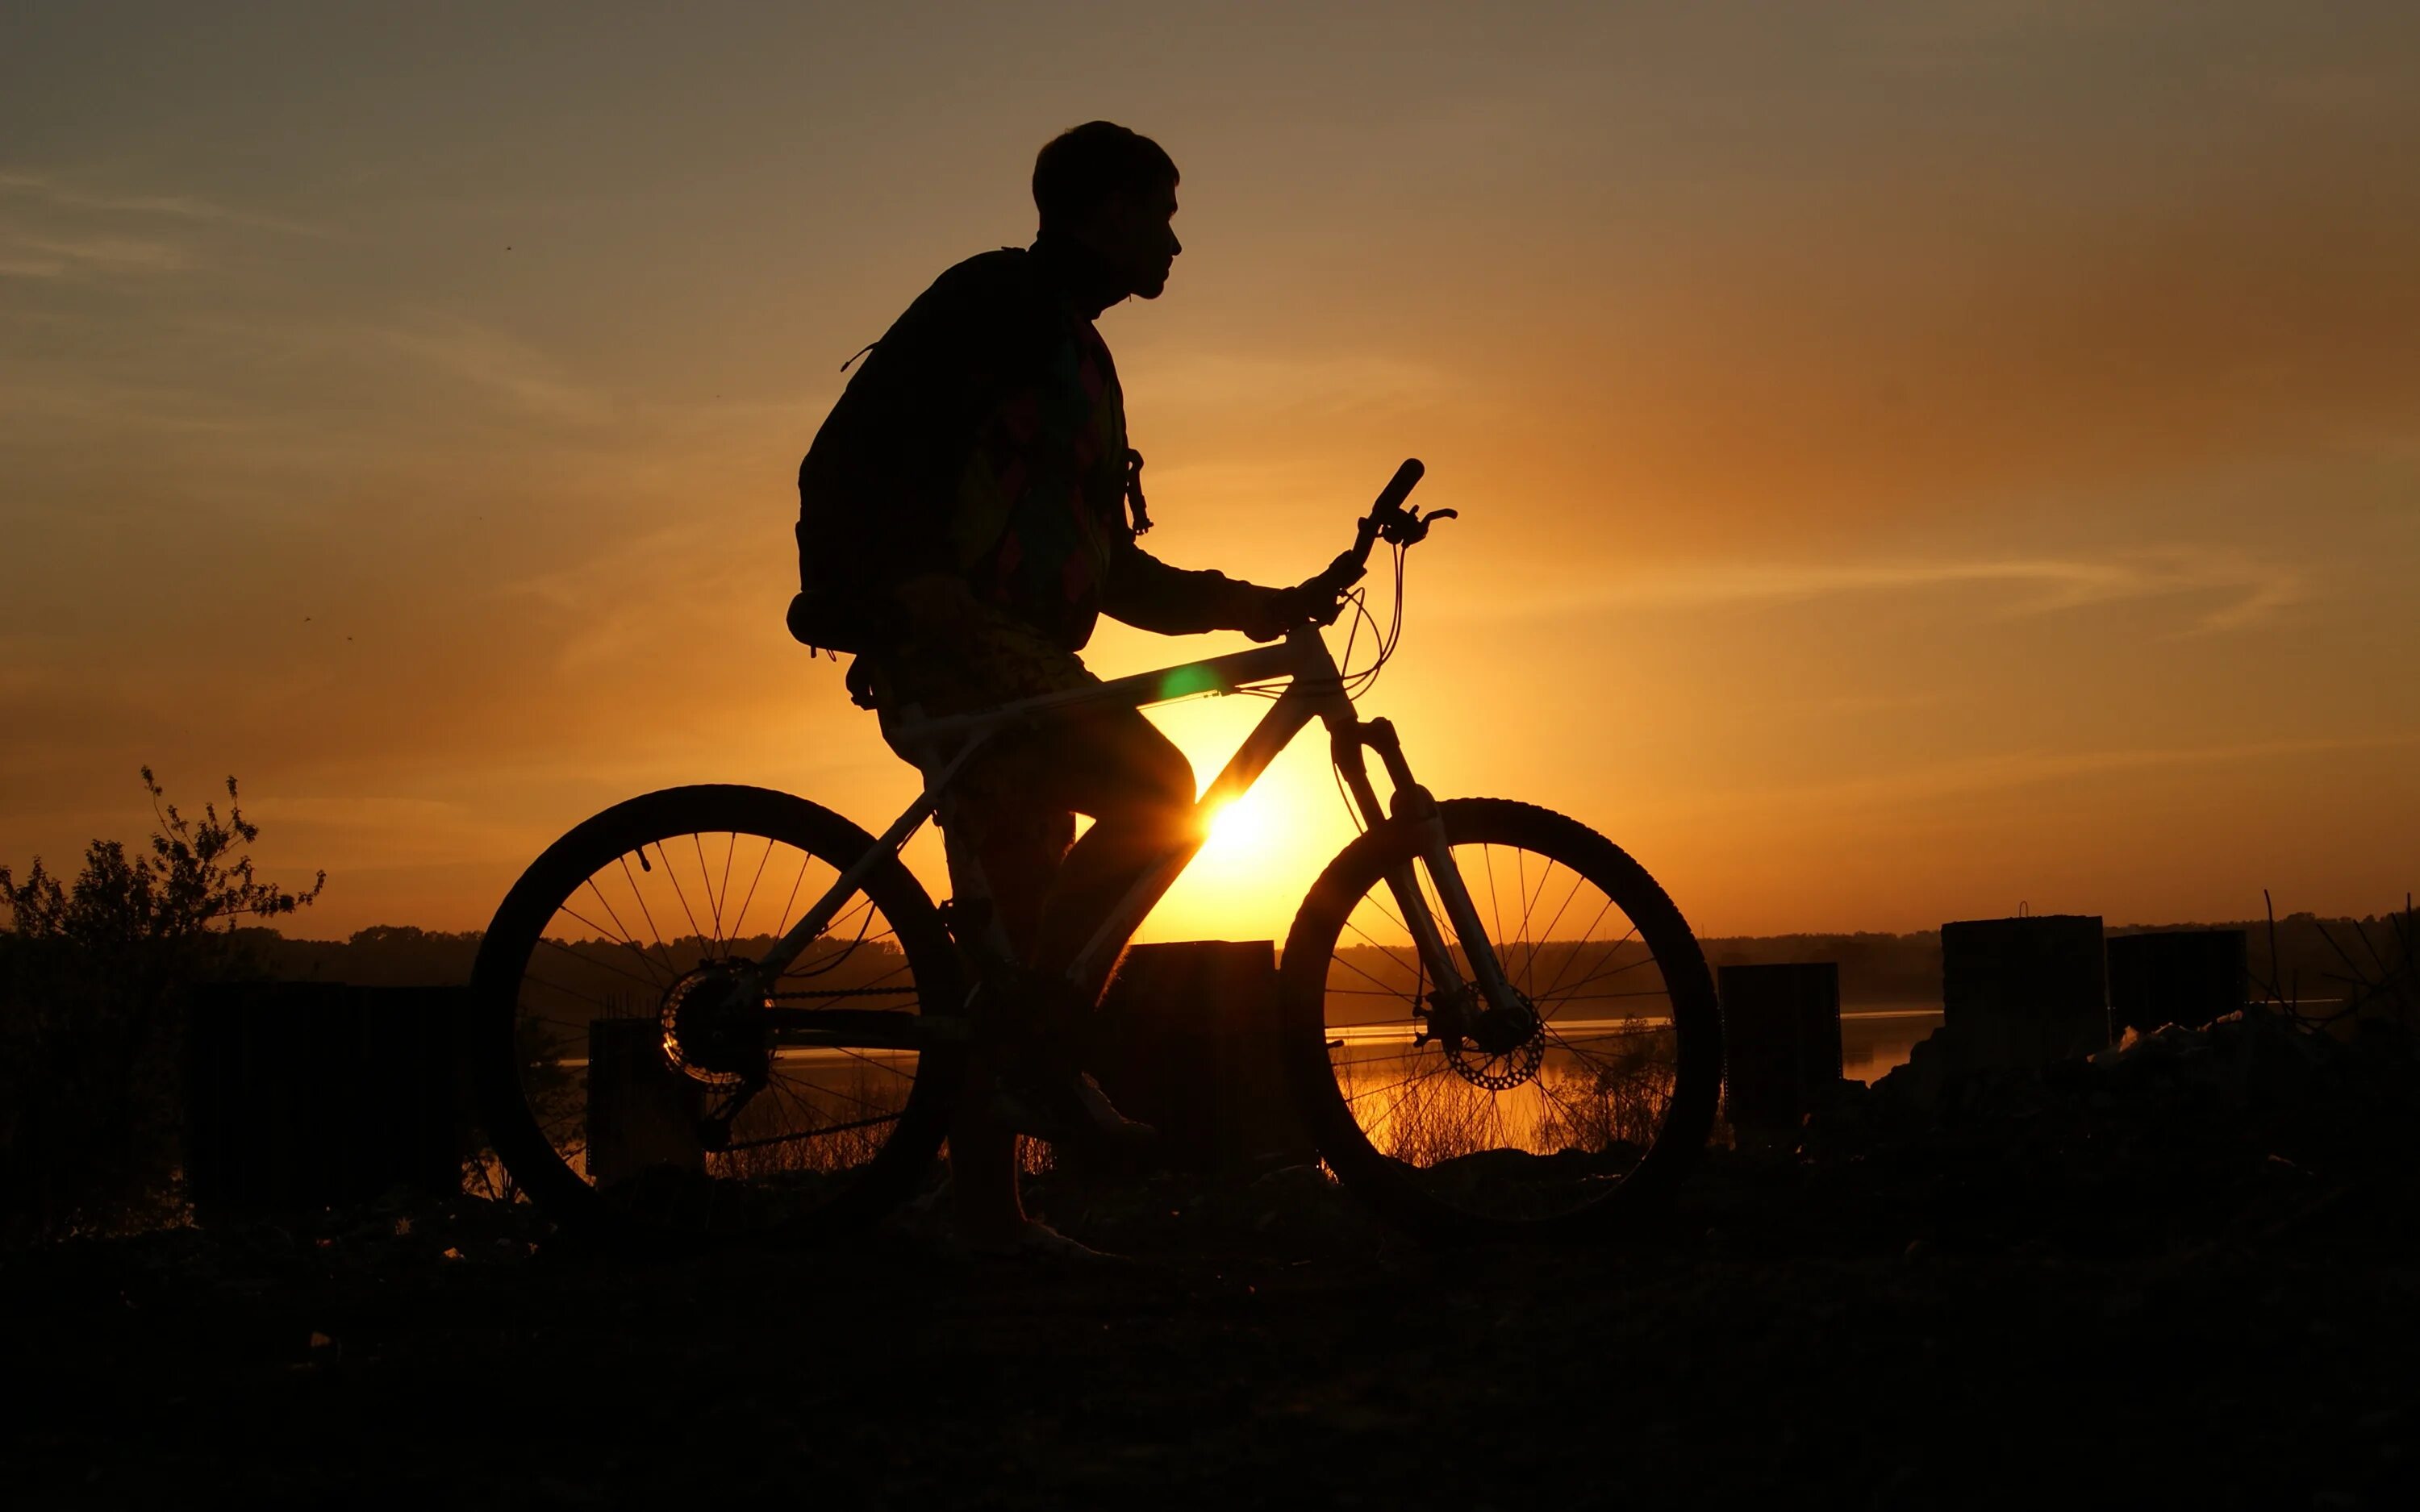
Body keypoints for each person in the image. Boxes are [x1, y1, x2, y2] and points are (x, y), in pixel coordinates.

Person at [794, 122, 1344, 1256]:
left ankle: (992, 1210)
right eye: (1164, 211)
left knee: (1018, 928)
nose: (1179, 241)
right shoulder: (997, 304)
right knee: (1161, 784)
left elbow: (1113, 565)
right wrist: (905, 585)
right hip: (960, 640)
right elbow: (852, 450)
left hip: (1023, 656)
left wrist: (1250, 602)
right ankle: (1045, 1058)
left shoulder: (1078, 357)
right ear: (1102, 212)